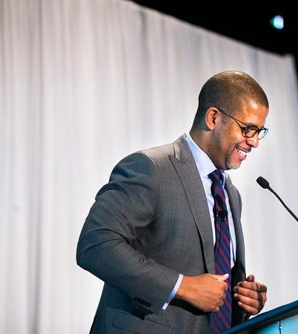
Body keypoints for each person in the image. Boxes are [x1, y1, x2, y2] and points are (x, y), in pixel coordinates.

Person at [76, 70, 269, 333]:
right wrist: (184, 287)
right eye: (248, 129)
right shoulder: (150, 168)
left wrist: (243, 301)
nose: (255, 142)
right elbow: (95, 244)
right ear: (213, 118)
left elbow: (215, 281)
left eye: (260, 132)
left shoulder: (230, 194)